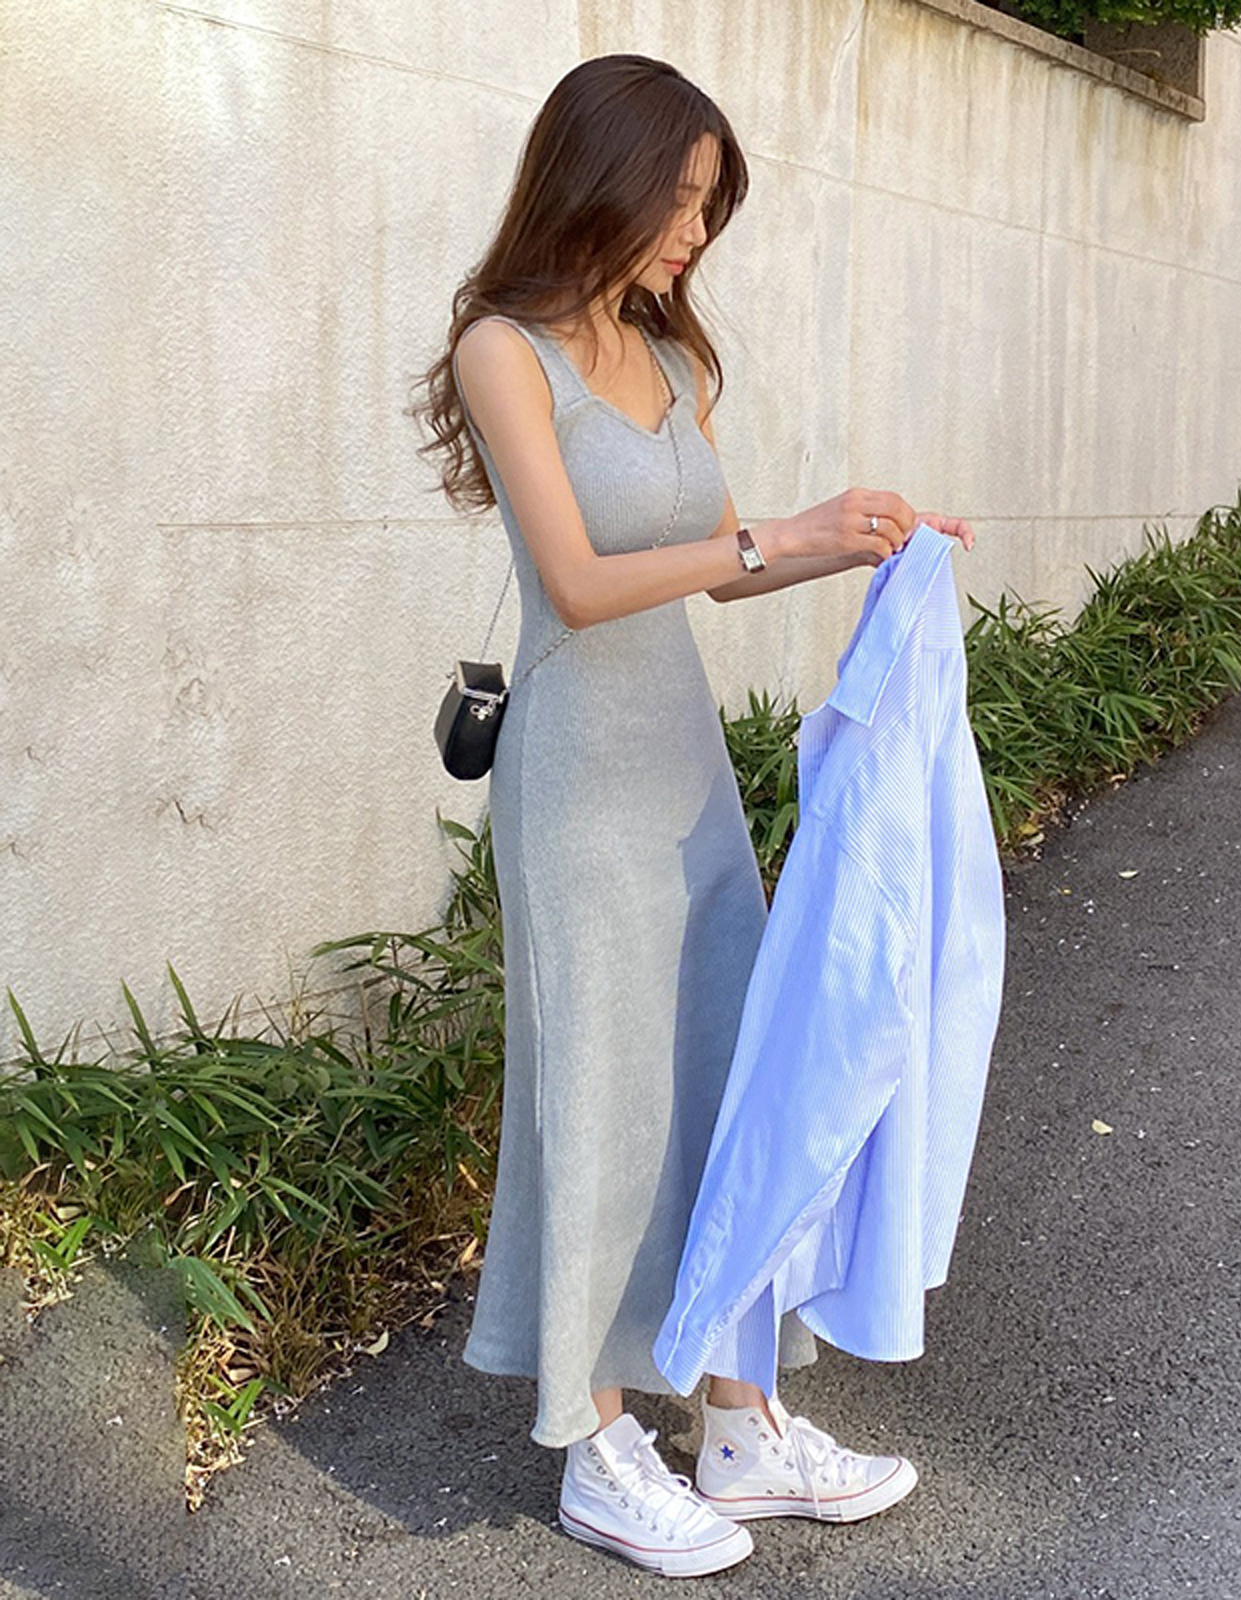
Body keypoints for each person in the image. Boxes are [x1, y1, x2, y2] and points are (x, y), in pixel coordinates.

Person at [411, 53, 975, 1578]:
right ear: (597, 175)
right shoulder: (502, 351)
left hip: (684, 772)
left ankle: (739, 1419)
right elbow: (582, 585)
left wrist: (863, 541)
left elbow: (720, 569)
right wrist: (778, 534)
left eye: (711, 205)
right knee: (600, 1094)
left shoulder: (670, 355)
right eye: (678, 197)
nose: (694, 232)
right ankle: (596, 1443)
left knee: (729, 1079)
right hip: (578, 786)